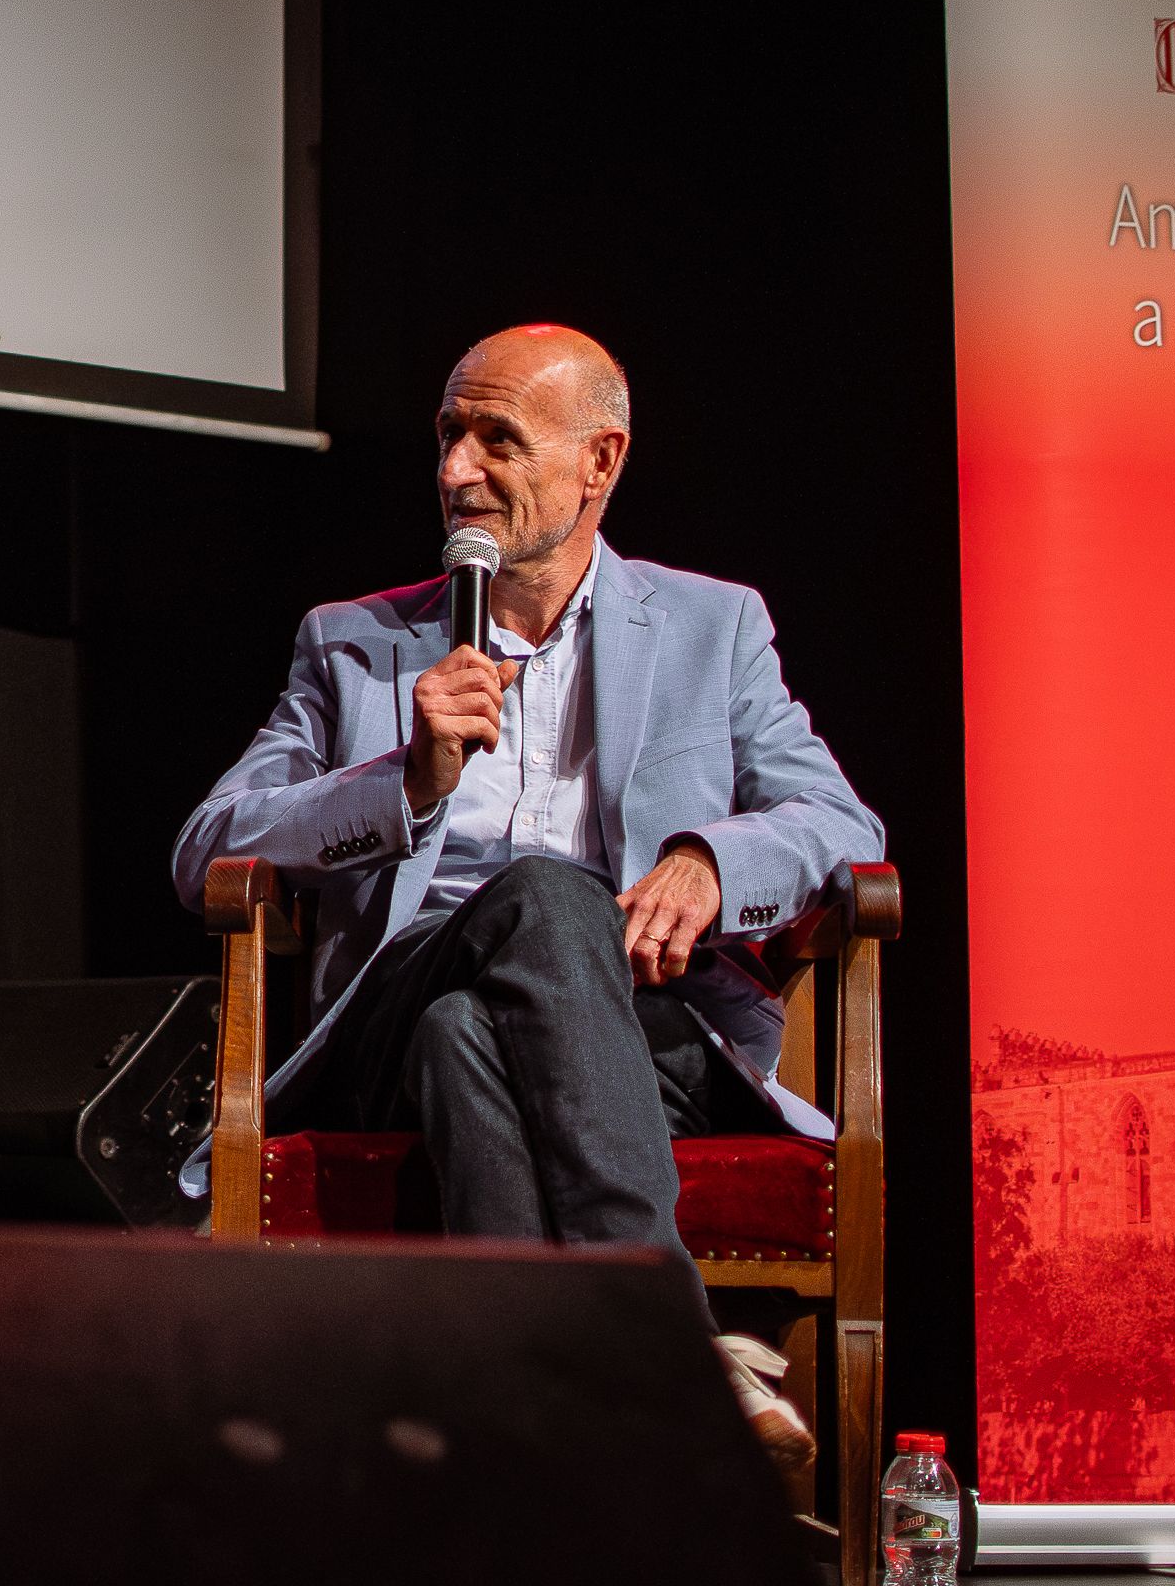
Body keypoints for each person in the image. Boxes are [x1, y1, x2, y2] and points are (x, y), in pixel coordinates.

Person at [170, 324, 881, 1469]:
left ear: (600, 460)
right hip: (391, 1018)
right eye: (450, 433)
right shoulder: (354, 644)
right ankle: (668, 1332)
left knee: (477, 1036)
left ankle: (533, 1452)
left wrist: (709, 857)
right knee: (539, 900)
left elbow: (845, 830)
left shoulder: (714, 625)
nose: (458, 470)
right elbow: (207, 842)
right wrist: (397, 779)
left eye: (499, 438)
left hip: (643, 1032)